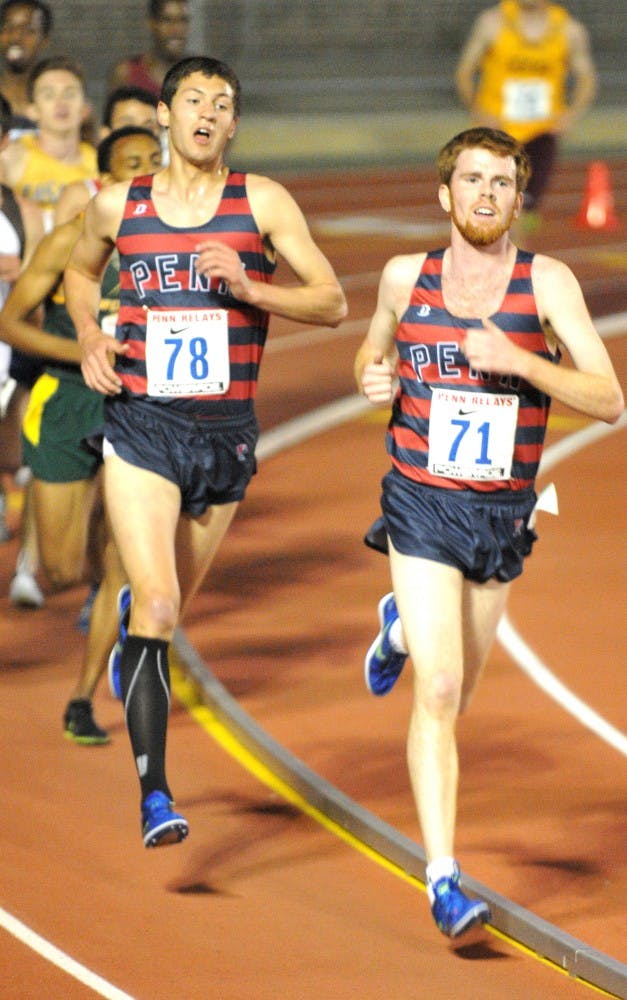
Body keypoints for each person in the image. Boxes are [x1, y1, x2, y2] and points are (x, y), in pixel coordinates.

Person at [64, 56, 347, 847]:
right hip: (142, 423)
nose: (208, 114)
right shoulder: (119, 204)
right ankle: (156, 795)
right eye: (194, 99)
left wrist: (254, 290)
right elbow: (79, 275)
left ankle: (136, 625)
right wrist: (90, 332)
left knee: (169, 613)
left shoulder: (260, 202)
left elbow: (330, 300)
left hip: (225, 437)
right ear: (165, 114)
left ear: (232, 125)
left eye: (223, 105)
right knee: (157, 605)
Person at [354, 127, 623, 939]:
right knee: (435, 692)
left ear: (516, 198)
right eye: (471, 180)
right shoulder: (407, 277)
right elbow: (372, 357)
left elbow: (606, 399)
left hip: (501, 514)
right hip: (420, 502)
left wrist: (522, 362)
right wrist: (371, 373)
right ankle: (442, 875)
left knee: (459, 693)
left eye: (501, 183)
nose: (484, 194)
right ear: (445, 195)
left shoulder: (547, 283)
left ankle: (397, 623)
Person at [0, 125, 164, 744]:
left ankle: (82, 696)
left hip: (139, 412)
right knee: (66, 570)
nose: (144, 172)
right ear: (104, 178)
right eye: (130, 165)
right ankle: (105, 570)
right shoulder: (71, 241)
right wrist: (83, 350)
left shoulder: (179, 249)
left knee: (121, 569)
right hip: (66, 403)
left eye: (154, 162)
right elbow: (10, 324)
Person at [454, 0, 597, 216]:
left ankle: (513, 248)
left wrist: (570, 115)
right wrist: (477, 110)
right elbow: (464, 72)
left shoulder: (569, 31)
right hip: (496, 130)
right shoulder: (493, 22)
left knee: (524, 208)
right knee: (487, 205)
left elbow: (586, 79)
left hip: (540, 132)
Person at [0, 55, 96, 230]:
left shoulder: (99, 164)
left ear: (85, 108)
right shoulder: (10, 155)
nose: (61, 103)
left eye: (70, 93)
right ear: (32, 110)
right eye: (49, 95)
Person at [54, 86, 160, 226]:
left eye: (148, 126)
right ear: (105, 133)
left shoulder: (179, 191)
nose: (138, 134)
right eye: (127, 125)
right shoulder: (82, 196)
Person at [107, 0, 190, 100]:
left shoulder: (198, 74)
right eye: (167, 20)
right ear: (151, 23)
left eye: (182, 20)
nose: (176, 29)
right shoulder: (127, 74)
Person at [0, 0, 51, 135]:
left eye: (28, 30)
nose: (16, 37)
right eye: (8, 29)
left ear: (44, 40)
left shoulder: (57, 99)